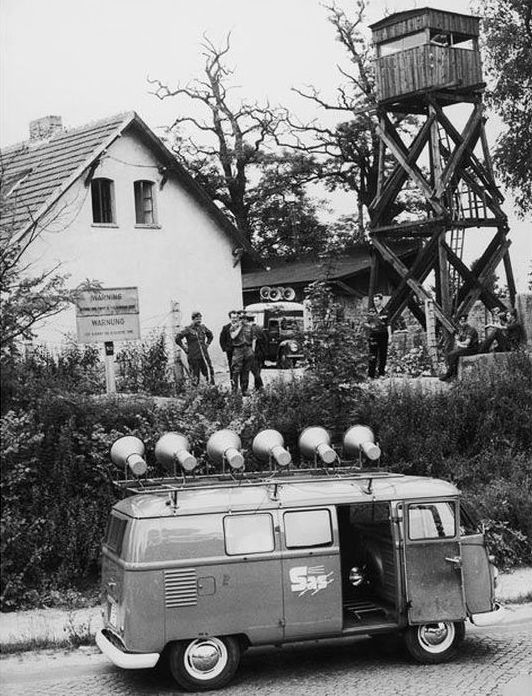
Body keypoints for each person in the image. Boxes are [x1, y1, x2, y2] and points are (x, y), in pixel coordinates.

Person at [175, 311, 215, 385]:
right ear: (193, 319)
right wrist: (184, 348)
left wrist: (207, 344)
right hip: (193, 356)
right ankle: (195, 392)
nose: (199, 321)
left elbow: (210, 335)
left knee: (209, 372)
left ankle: (211, 390)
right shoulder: (188, 329)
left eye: (200, 319)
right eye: (197, 319)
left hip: (204, 355)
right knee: (195, 376)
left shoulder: (203, 328)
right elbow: (177, 338)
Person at [439, 314, 479, 381]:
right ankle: (453, 373)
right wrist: (458, 340)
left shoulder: (471, 329)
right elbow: (459, 340)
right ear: (459, 322)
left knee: (453, 354)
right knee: (450, 354)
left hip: (472, 349)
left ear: (467, 321)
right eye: (461, 321)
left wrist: (459, 342)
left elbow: (467, 342)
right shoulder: (461, 330)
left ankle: (449, 374)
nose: (462, 322)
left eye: (464, 320)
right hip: (465, 348)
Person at [364, 293, 391, 378]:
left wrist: (390, 337)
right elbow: (365, 323)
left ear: (381, 300)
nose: (375, 302)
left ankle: (381, 374)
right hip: (374, 335)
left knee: (383, 355)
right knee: (373, 355)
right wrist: (371, 326)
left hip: (383, 335)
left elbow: (388, 325)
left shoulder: (386, 311)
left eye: (376, 300)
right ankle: (371, 375)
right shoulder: (371, 311)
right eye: (374, 300)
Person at [230, 311, 255, 395]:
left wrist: (252, 350)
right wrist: (239, 327)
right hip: (238, 350)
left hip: (247, 349)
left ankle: (244, 390)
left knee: (246, 370)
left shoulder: (249, 327)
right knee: (236, 371)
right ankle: (234, 390)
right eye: (240, 318)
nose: (242, 320)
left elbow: (253, 339)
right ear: (237, 318)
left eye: (244, 318)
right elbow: (233, 336)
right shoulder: (234, 327)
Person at [246, 314, 265, 391]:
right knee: (258, 370)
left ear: (247, 321)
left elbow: (254, 340)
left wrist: (252, 351)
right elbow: (265, 340)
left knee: (254, 371)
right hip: (261, 352)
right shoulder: (260, 328)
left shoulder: (251, 329)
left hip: (254, 352)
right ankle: (257, 387)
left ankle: (260, 386)